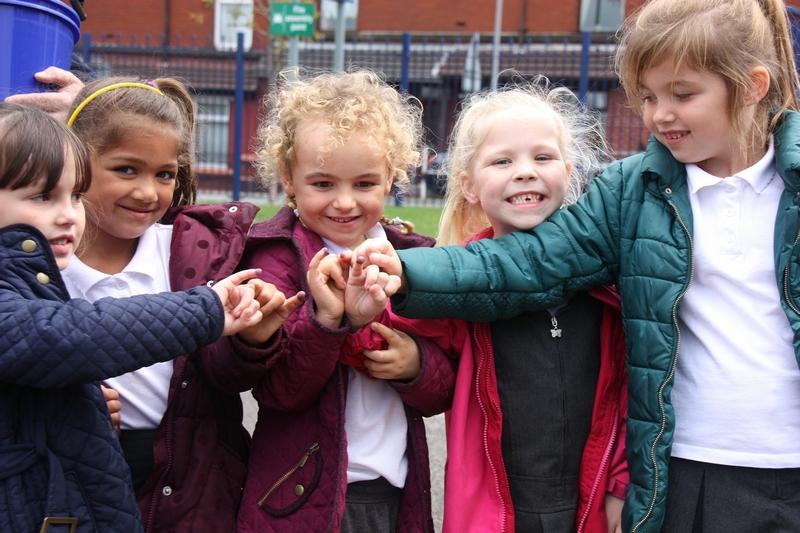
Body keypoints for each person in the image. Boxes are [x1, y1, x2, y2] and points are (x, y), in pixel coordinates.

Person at [354, 0, 800, 531]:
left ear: (752, 85)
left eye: (683, 94)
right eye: (649, 96)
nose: (660, 114)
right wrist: (409, 272)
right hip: (684, 467)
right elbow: (530, 261)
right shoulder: (632, 192)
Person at [0, 102, 267, 532]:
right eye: (43, 196)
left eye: (73, 194)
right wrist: (208, 309)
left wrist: (76, 405)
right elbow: (67, 337)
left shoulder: (40, 276)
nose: (69, 213)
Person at [380, 81, 628, 533]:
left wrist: (622, 483)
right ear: (469, 187)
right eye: (503, 161)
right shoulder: (456, 289)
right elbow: (410, 348)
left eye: (543, 157)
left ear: (569, 172)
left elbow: (637, 394)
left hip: (589, 510)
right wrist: (407, 359)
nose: (526, 171)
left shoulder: (607, 288)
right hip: (494, 517)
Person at [62, 76, 303, 532]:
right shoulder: (41, 260)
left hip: (190, 487)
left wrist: (254, 335)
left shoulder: (193, 252)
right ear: (74, 160)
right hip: (75, 480)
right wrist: (66, 401)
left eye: (165, 174)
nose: (148, 192)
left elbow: (225, 375)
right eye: (126, 170)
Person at [234, 69, 455, 533]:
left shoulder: (413, 259)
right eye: (323, 184)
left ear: (392, 178)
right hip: (300, 494)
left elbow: (442, 393)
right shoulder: (276, 257)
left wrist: (415, 364)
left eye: (364, 184)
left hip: (391, 492)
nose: (344, 202)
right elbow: (279, 393)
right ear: (288, 178)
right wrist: (330, 322)